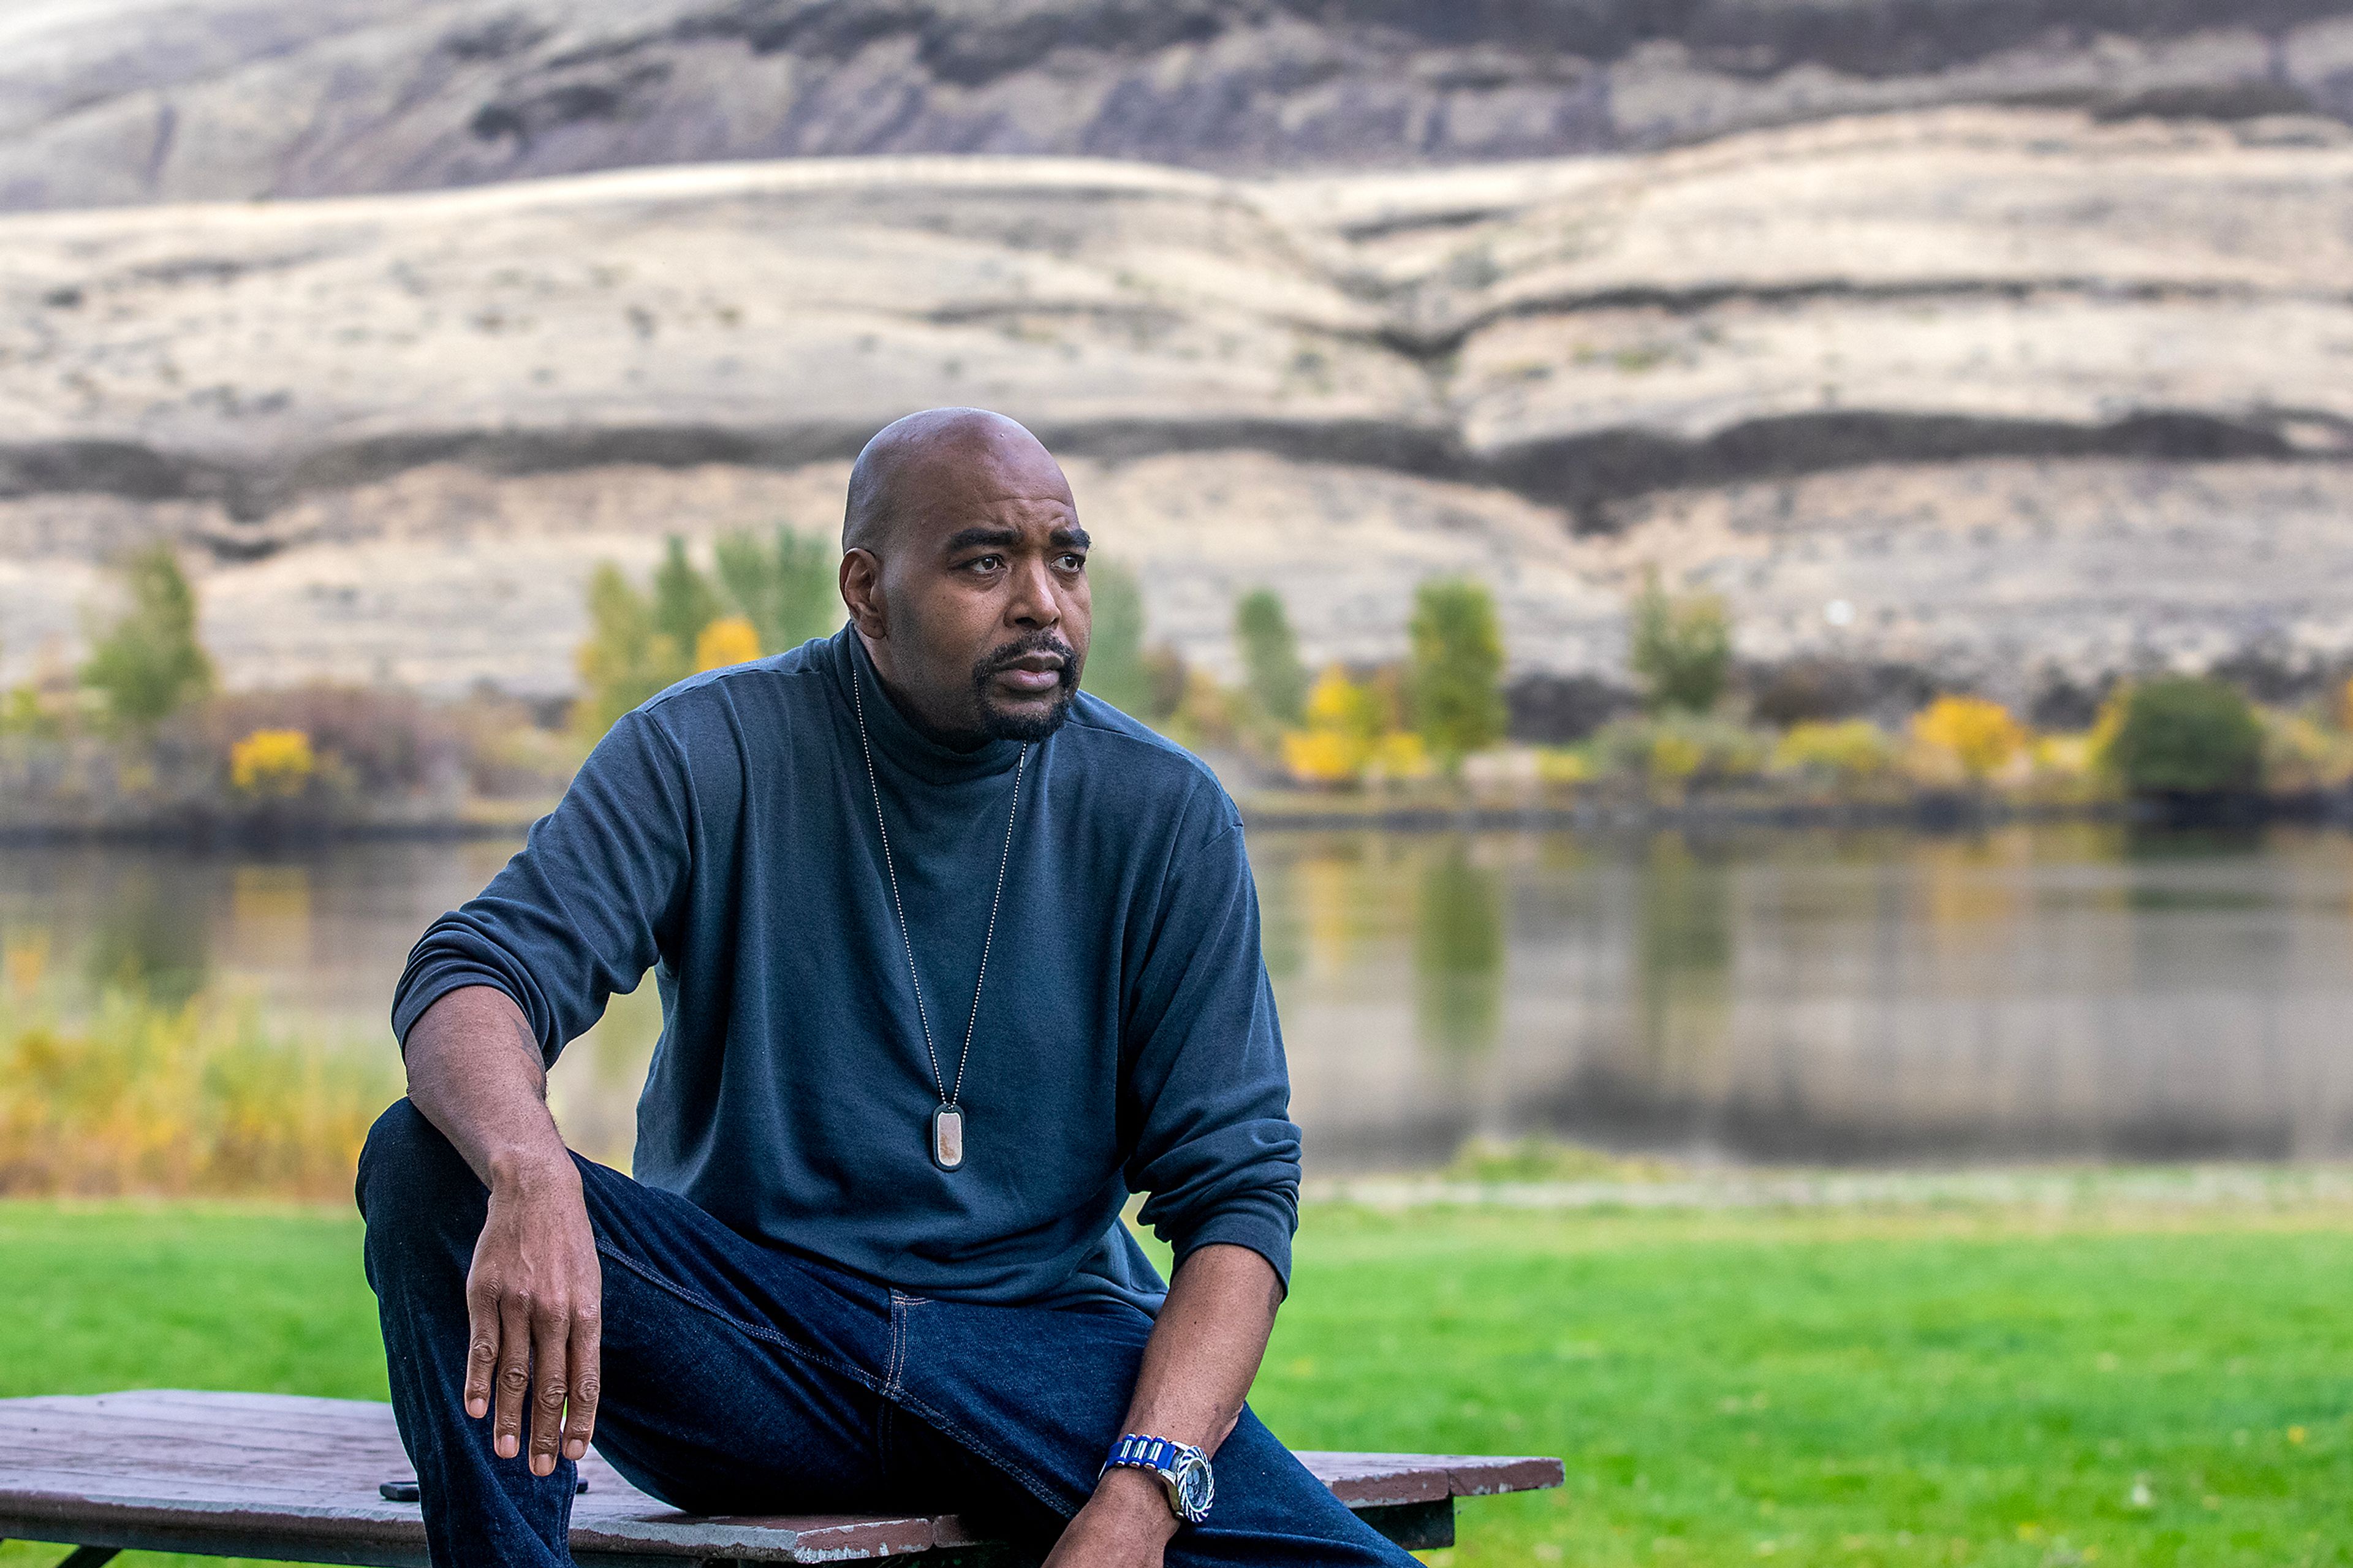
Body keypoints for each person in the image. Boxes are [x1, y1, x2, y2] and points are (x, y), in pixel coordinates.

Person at [357, 407, 1416, 1567]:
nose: (1041, 604)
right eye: (983, 562)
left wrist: (1140, 1500)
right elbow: (475, 972)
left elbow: (1239, 1199)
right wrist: (530, 1170)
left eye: (1066, 561)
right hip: (754, 1348)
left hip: (1048, 1362)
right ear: (867, 591)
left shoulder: (1165, 814)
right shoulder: (705, 751)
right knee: (426, 1164)